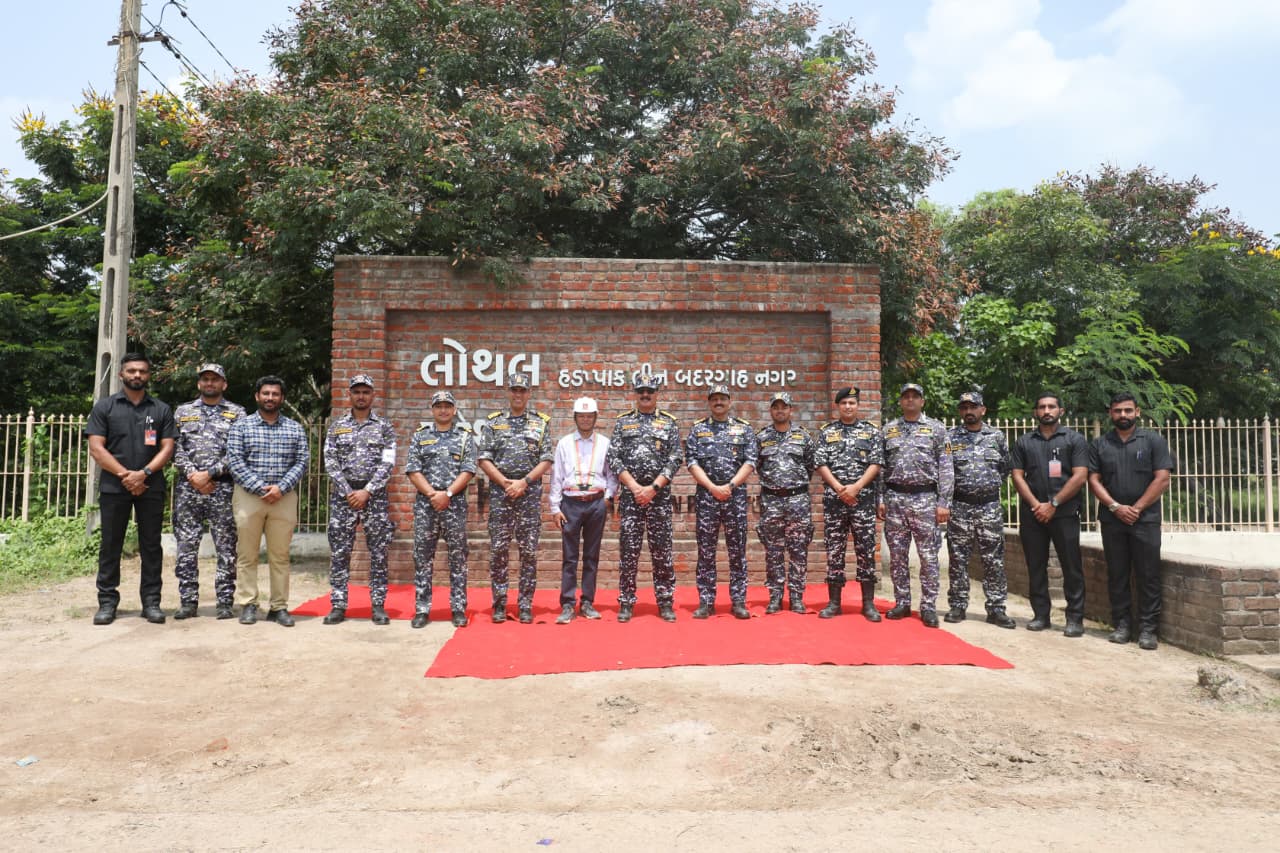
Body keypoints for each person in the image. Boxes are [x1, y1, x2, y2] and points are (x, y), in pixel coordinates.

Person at [86, 353, 176, 626]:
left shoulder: (160, 409)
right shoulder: (105, 407)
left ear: (149, 375)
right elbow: (96, 448)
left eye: (142, 371)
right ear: (121, 375)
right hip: (115, 486)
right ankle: (107, 603)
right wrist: (126, 475)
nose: (137, 375)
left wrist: (144, 473)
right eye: (132, 371)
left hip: (151, 485)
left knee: (151, 545)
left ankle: (151, 603)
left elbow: (168, 447)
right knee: (110, 545)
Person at [1087, 392, 1175, 650]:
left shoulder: (1153, 441)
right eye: (1117, 411)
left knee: (1148, 574)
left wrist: (1135, 508)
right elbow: (1093, 480)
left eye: (1127, 410)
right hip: (1112, 519)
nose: (1122, 415)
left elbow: (1162, 478)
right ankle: (1122, 625)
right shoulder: (1100, 444)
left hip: (1145, 519)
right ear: (1110, 414)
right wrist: (1115, 507)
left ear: (1137, 412)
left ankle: (1148, 630)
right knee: (1117, 573)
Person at [226, 375, 310, 627]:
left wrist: (281, 488)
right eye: (266, 393)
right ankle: (249, 604)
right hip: (249, 497)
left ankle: (279, 607)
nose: (270, 398)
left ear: (282, 398)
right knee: (247, 554)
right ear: (257, 396)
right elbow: (235, 460)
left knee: (280, 555)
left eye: (275, 394)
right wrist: (260, 487)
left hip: (283, 498)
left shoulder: (294, 428)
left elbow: (302, 461)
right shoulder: (242, 426)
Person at [1010, 393, 1090, 635]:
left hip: (1064, 513)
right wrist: (1037, 505)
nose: (1047, 410)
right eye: (1042, 406)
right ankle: (1041, 615)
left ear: (1061, 411)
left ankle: (1074, 619)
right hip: (1033, 514)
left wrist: (1053, 503)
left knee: (1071, 566)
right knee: (1035, 566)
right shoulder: (1024, 441)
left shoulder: (1074, 440)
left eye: (1051, 406)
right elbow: (1017, 475)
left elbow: (1080, 475)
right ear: (1036, 412)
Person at [476, 374, 554, 623]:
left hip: (529, 493)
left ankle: (525, 605)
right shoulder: (493, 423)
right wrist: (505, 483)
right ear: (508, 393)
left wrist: (524, 482)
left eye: (522, 390)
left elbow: (546, 459)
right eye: (514, 390)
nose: (518, 395)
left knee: (528, 551)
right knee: (499, 550)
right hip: (501, 493)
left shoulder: (540, 423)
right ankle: (499, 604)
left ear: (529, 393)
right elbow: (484, 458)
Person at [322, 375, 398, 626]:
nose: (361, 396)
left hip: (374, 498)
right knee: (341, 553)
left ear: (373, 395)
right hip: (343, 497)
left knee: (378, 553)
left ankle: (377, 605)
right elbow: (330, 461)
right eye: (357, 392)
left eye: (366, 392)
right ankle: (338, 605)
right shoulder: (336, 426)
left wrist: (367, 490)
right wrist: (348, 491)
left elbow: (388, 462)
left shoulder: (384, 427)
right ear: (350, 395)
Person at [171, 363, 245, 620]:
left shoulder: (237, 414)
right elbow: (174, 447)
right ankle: (188, 601)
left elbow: (238, 451)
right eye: (205, 379)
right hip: (188, 489)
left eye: (215, 379)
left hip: (222, 488)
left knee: (226, 548)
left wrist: (210, 473)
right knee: (186, 546)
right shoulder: (183, 412)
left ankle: (225, 601)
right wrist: (193, 475)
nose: (210, 383)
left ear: (224, 384)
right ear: (199, 384)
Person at [607, 372, 683, 623]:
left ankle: (665, 601)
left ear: (657, 393)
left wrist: (653, 488)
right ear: (635, 394)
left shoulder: (669, 423)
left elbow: (675, 458)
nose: (646, 395)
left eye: (650, 390)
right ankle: (626, 602)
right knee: (628, 551)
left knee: (662, 552)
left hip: (658, 499)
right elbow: (614, 458)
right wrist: (635, 487)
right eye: (641, 391)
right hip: (631, 499)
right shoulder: (623, 423)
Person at [878, 383, 953, 628]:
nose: (910, 400)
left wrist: (944, 502)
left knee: (928, 556)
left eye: (915, 397)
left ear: (922, 401)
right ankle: (901, 602)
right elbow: (880, 468)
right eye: (906, 396)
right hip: (895, 499)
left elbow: (946, 468)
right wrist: (880, 499)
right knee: (898, 557)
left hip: (925, 500)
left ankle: (929, 606)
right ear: (900, 401)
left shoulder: (937, 429)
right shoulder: (888, 430)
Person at [685, 384, 759, 619]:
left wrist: (729, 486)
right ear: (709, 402)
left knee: (737, 551)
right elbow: (692, 462)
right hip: (707, 498)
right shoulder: (698, 430)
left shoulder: (744, 429)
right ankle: (706, 602)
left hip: (735, 498)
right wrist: (712, 487)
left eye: (722, 398)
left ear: (730, 401)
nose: (718, 402)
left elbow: (750, 461)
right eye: (714, 399)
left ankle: (738, 601)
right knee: (706, 551)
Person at [406, 390, 477, 628]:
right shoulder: (420, 436)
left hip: (454, 504)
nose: (443, 410)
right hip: (426, 505)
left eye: (448, 406)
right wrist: (432, 495)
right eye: (439, 406)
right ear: (432, 409)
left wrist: (446, 494)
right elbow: (413, 470)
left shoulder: (465, 437)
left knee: (458, 558)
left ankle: (458, 608)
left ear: (454, 410)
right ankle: (422, 609)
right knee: (423, 558)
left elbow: (468, 470)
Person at [945, 390, 1015, 628]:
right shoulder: (950, 437)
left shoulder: (996, 436)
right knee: (958, 559)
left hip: (989, 506)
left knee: (994, 559)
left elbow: (1005, 467)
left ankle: (996, 608)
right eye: (964, 408)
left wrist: (986, 487)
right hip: (960, 505)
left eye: (972, 407)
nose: (968, 412)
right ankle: (957, 605)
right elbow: (944, 472)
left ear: (982, 409)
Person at [814, 386, 884, 621]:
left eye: (852, 403)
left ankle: (868, 604)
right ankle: (834, 603)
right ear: (838, 406)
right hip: (835, 501)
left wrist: (856, 487)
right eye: (844, 403)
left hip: (862, 501)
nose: (848, 407)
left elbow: (876, 463)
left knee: (865, 551)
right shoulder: (826, 432)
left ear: (858, 405)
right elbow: (820, 463)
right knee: (835, 551)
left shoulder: (871, 432)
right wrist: (839, 488)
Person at [549, 397, 618, 624]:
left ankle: (587, 602)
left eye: (589, 416)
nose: (586, 419)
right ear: (575, 417)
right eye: (581, 416)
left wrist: (608, 498)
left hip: (596, 503)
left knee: (591, 555)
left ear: (595, 418)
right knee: (569, 557)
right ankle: (567, 604)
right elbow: (556, 476)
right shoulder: (565, 443)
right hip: (570, 503)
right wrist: (554, 506)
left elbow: (612, 475)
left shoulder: (606, 443)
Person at [755, 392, 816, 614]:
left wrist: (793, 487)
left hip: (798, 500)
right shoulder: (761, 438)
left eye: (784, 406)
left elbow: (811, 466)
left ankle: (797, 597)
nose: (780, 410)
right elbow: (757, 466)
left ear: (791, 410)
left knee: (799, 549)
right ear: (771, 410)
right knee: (773, 550)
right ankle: (775, 597)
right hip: (771, 499)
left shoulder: (804, 437)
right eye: (776, 407)